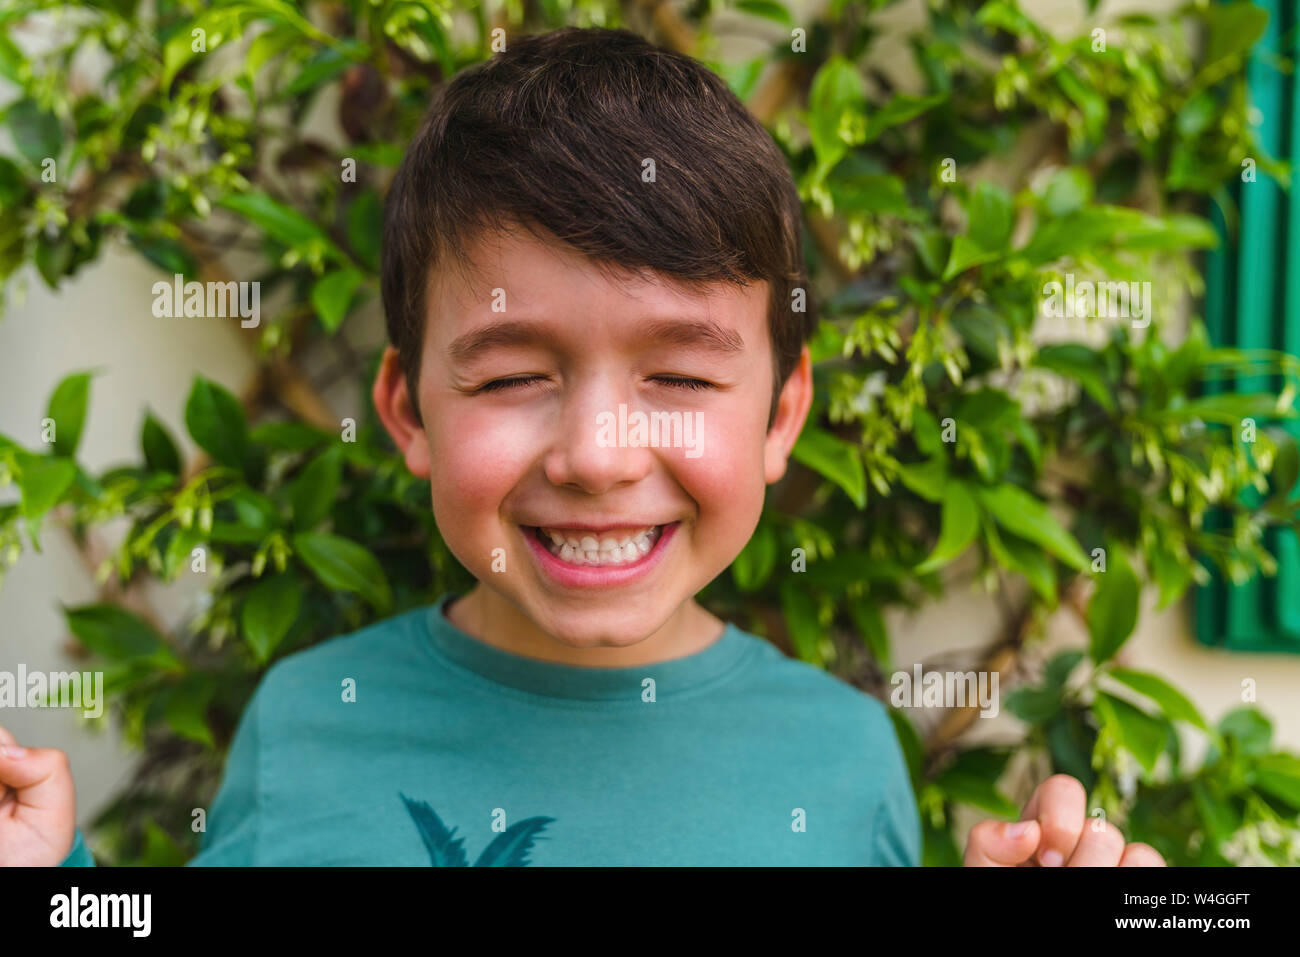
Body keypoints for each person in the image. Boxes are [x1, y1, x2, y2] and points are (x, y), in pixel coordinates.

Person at [0, 27, 1163, 867]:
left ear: (781, 414)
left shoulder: (844, 759)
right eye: (512, 377)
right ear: (407, 412)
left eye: (680, 375)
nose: (597, 455)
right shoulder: (307, 718)